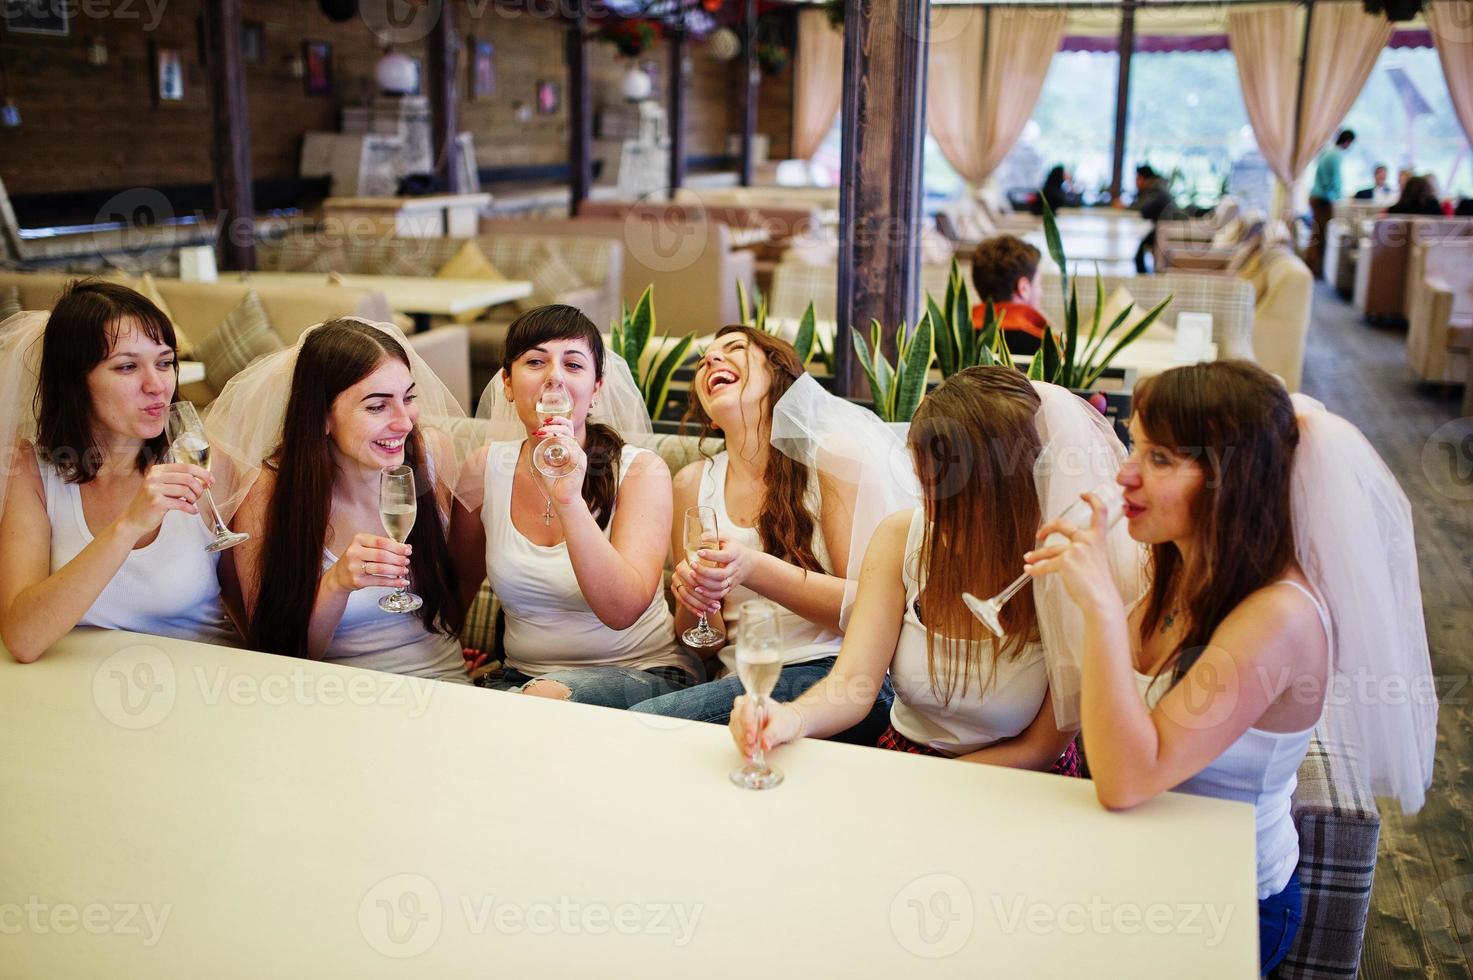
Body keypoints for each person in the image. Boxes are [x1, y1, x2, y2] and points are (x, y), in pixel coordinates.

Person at [1023, 360, 1435, 974]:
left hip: (1228, 899)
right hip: (1141, 861)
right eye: (1135, 445)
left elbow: (1127, 780)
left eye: (1160, 459)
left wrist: (1102, 610)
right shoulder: (1181, 563)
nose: (1125, 475)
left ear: (1233, 479)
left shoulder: (1280, 618)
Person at [729, 367, 1142, 773]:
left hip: (1019, 781)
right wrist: (790, 720)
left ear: (1007, 494)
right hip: (906, 760)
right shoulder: (899, 538)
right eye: (924, 485)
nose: (932, 508)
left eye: (951, 495)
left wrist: (930, 790)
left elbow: (1039, 747)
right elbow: (851, 685)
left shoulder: (1068, 568)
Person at [630, 325, 917, 728]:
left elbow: (871, 611)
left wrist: (752, 568)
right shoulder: (691, 483)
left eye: (733, 348)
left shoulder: (832, 460)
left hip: (833, 675)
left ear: (778, 376)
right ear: (708, 417)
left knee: (645, 725)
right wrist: (697, 602)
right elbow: (704, 646)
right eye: (704, 359)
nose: (712, 360)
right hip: (738, 677)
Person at [449, 305, 700, 707]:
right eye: (535, 361)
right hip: (522, 681)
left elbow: (622, 610)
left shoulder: (641, 471)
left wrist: (568, 497)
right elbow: (457, 587)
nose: (554, 378)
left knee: (536, 704)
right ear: (508, 384)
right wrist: (447, 665)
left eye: (573, 364)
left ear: (596, 387)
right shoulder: (484, 468)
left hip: (643, 675)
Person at [217, 317, 471, 683]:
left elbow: (458, 595)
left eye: (408, 398)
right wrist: (336, 583)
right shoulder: (269, 490)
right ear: (322, 417)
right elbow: (283, 654)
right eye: (376, 406)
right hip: (340, 699)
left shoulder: (432, 455)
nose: (404, 423)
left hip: (448, 688)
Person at [0, 282, 239, 663]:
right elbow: (24, 639)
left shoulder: (207, 462)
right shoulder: (33, 470)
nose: (156, 385)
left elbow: (262, 622)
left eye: (164, 363)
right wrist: (128, 526)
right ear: (75, 380)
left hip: (199, 685)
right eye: (127, 367)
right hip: (72, 696)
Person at [969, 236, 1051, 356]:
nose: (1041, 291)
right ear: (1023, 288)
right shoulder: (1049, 346)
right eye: (1038, 284)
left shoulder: (955, 337)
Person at [1307, 129, 1356, 277]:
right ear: (1347, 142)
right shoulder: (1336, 155)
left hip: (1317, 197)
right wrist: (1340, 196)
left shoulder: (1329, 152)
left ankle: (1313, 266)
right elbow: (1334, 182)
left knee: (1317, 234)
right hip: (1323, 199)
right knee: (1321, 236)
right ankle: (1314, 268)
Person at [1130, 165, 1175, 274]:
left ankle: (1142, 277)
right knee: (1139, 251)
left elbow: (1144, 209)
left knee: (1138, 253)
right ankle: (1142, 276)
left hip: (1164, 230)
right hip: (1161, 229)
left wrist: (1126, 206)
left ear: (1144, 179)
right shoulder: (1157, 187)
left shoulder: (1156, 190)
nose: (1136, 182)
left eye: (1137, 179)